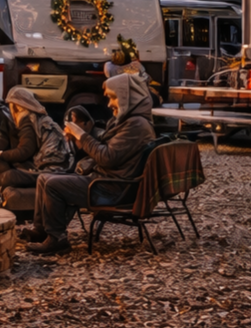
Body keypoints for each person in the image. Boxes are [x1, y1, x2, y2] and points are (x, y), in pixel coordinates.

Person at [21, 74, 156, 254]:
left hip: (111, 189)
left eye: (113, 97)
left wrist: (81, 134)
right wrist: (81, 137)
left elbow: (106, 157)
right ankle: (41, 231)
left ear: (128, 96)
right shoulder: (128, 121)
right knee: (43, 179)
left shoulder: (136, 125)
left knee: (53, 184)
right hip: (107, 180)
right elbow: (107, 150)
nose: (109, 104)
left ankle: (57, 239)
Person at [0, 88, 73, 205]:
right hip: (54, 167)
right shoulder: (35, 118)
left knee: (10, 176)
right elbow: (6, 143)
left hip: (51, 171)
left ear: (16, 107)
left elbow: (25, 151)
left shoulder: (27, 120)